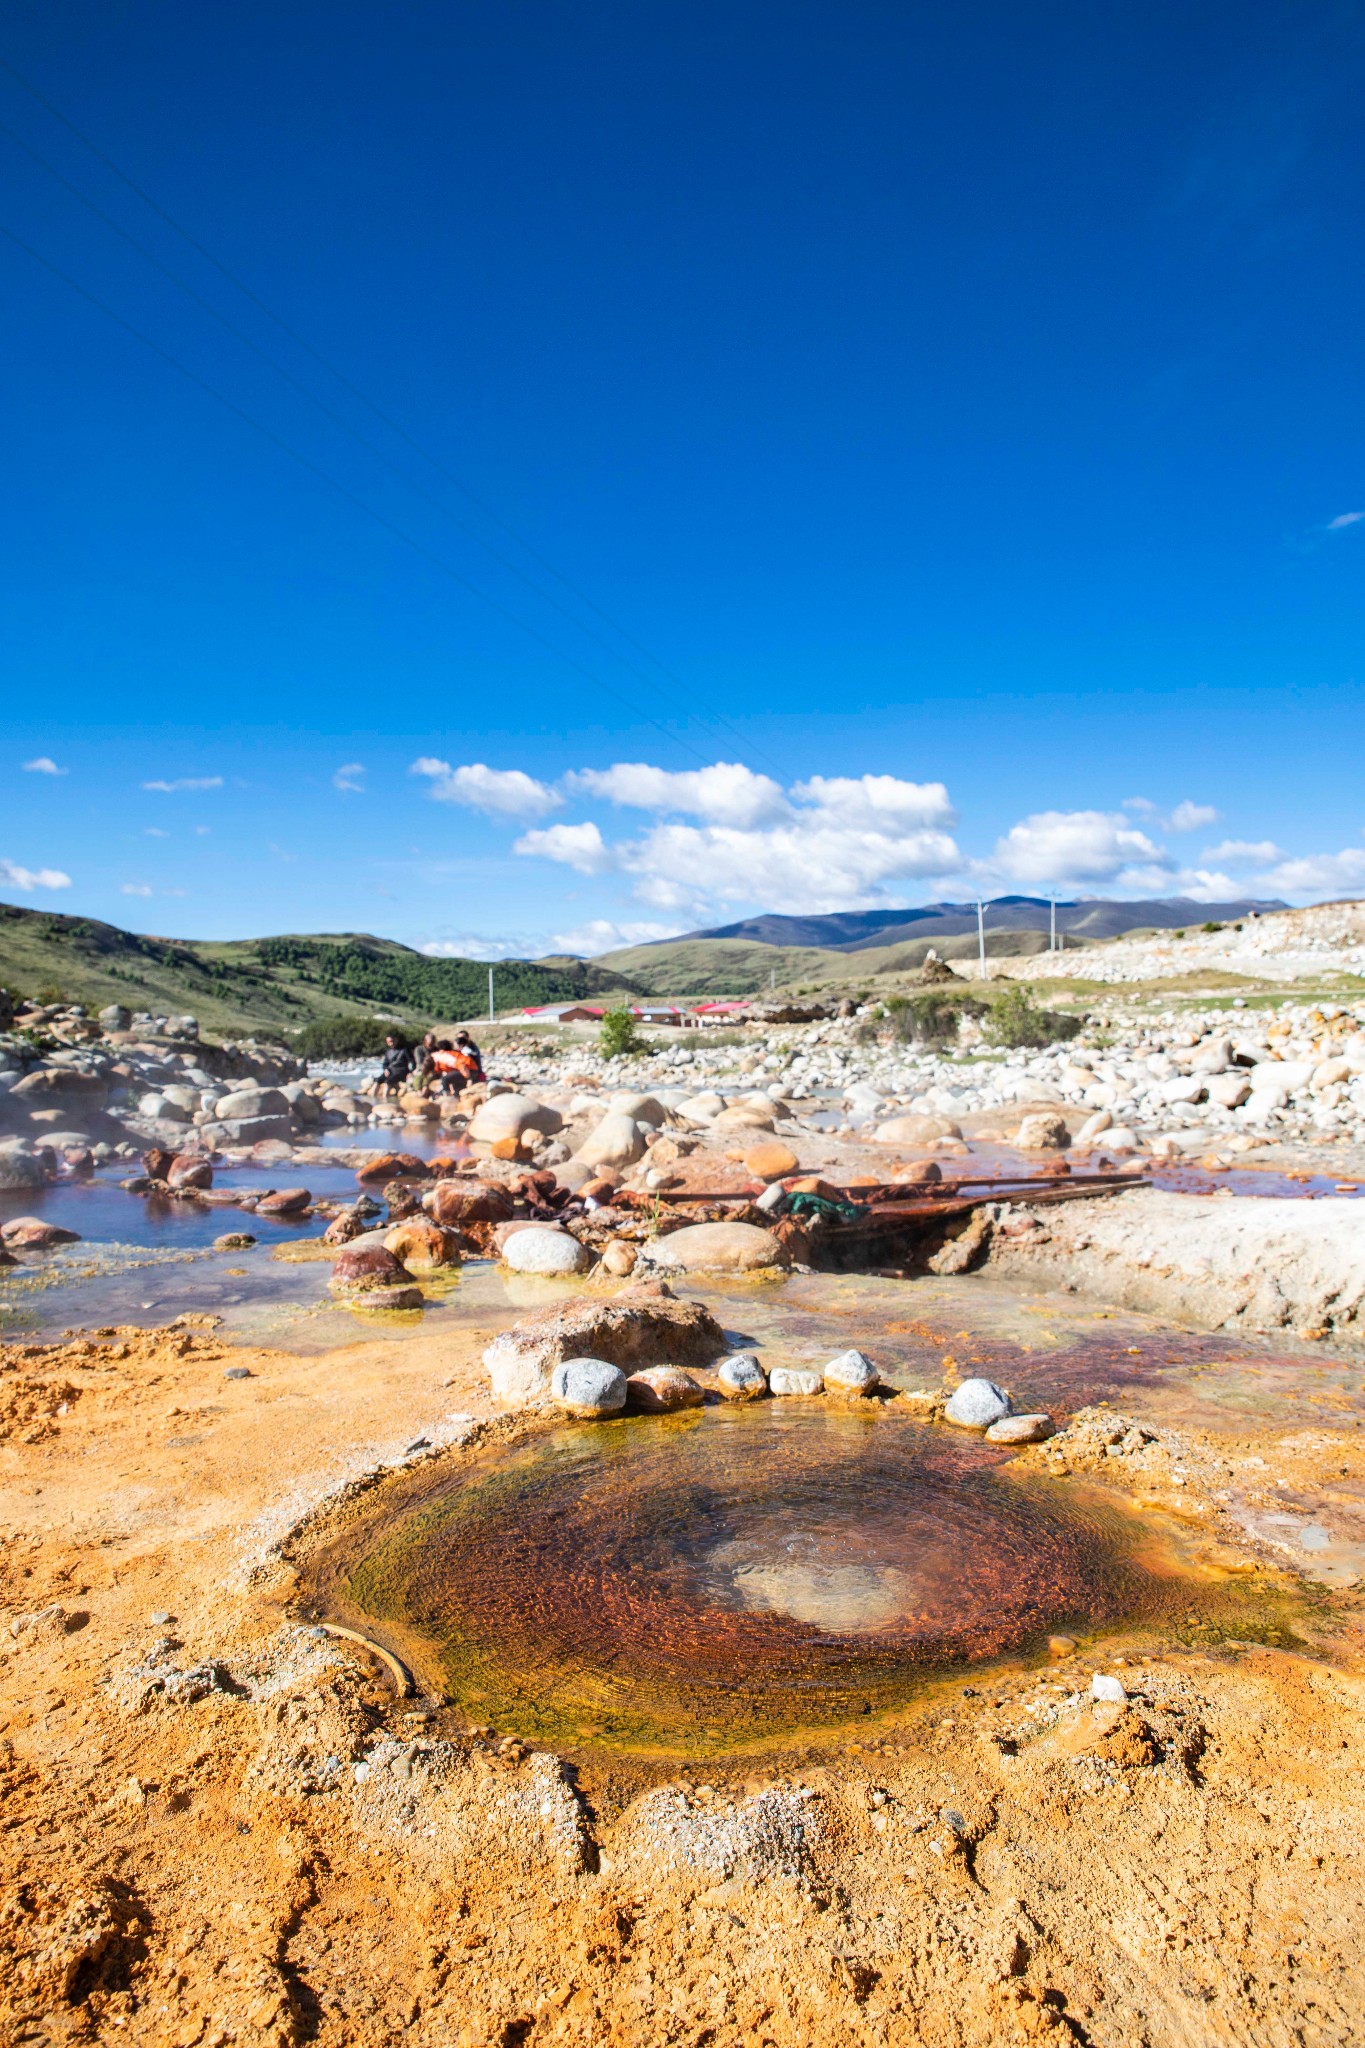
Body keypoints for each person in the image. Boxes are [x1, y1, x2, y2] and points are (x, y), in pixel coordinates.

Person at [376, 1034, 414, 1099]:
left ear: (396, 1040)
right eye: (389, 1042)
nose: (391, 1043)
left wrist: (410, 1071)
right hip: (390, 1070)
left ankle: (385, 1101)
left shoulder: (404, 1050)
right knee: (377, 1080)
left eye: (392, 1041)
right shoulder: (388, 1052)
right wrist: (385, 1069)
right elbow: (385, 1063)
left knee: (388, 1082)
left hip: (401, 1071)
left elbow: (412, 1061)